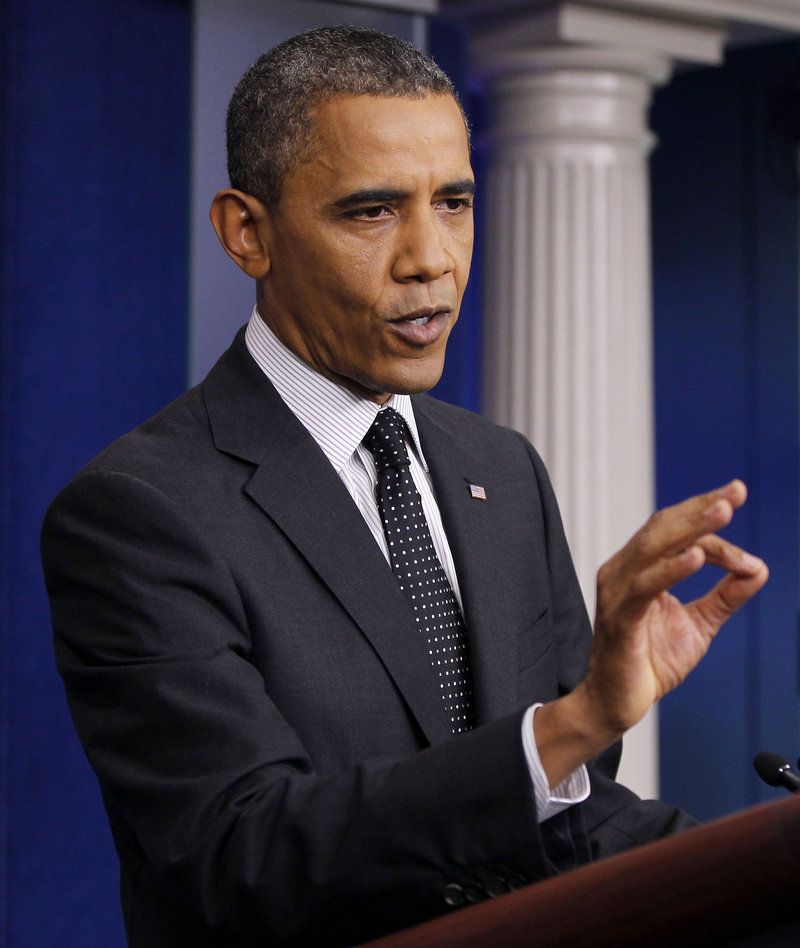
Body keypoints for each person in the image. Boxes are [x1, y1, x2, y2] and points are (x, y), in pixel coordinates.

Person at [41, 25, 768, 948]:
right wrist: (571, 725)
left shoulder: (501, 470)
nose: (432, 258)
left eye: (455, 202)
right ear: (248, 234)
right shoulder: (138, 512)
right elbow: (245, 853)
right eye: (372, 212)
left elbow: (554, 826)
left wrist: (769, 857)